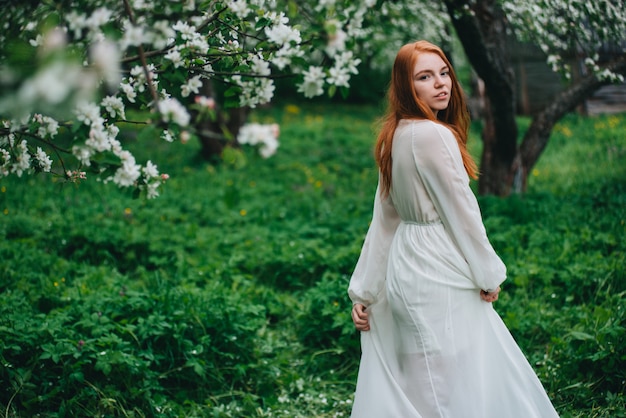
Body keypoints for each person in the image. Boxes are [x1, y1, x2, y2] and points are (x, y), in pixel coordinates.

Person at [347, 40, 559, 418]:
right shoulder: (434, 135)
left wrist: (366, 287)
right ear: (405, 86)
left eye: (444, 72)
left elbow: (385, 219)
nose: (441, 83)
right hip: (436, 265)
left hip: (406, 264)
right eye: (425, 77)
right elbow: (462, 213)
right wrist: (489, 273)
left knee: (425, 374)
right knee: (454, 376)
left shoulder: (394, 134)